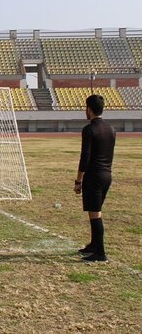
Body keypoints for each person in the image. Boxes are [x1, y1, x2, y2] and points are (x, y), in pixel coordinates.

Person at [74, 95, 116, 262]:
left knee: (95, 213)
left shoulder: (89, 129)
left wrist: (78, 181)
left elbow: (85, 157)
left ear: (89, 109)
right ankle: (93, 245)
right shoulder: (111, 129)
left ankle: (100, 253)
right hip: (107, 174)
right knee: (95, 210)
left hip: (94, 175)